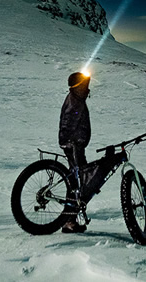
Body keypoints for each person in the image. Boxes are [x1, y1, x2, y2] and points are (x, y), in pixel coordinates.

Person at [59, 70, 91, 233]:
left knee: (77, 182)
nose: (88, 87)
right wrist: (70, 142)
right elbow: (68, 122)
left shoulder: (77, 99)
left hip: (76, 146)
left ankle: (71, 219)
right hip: (74, 147)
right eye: (85, 84)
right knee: (76, 183)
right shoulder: (75, 101)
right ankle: (69, 221)